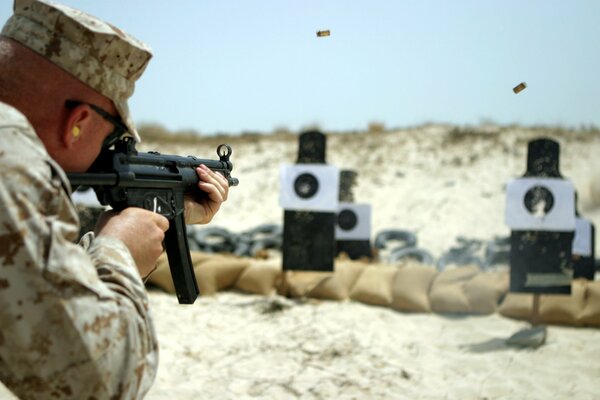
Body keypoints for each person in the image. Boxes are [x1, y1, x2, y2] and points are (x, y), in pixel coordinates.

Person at [0, 0, 229, 398]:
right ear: (78, 123)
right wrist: (118, 251)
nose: (107, 154)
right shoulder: (8, 154)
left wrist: (172, 212)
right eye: (112, 141)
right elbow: (100, 380)